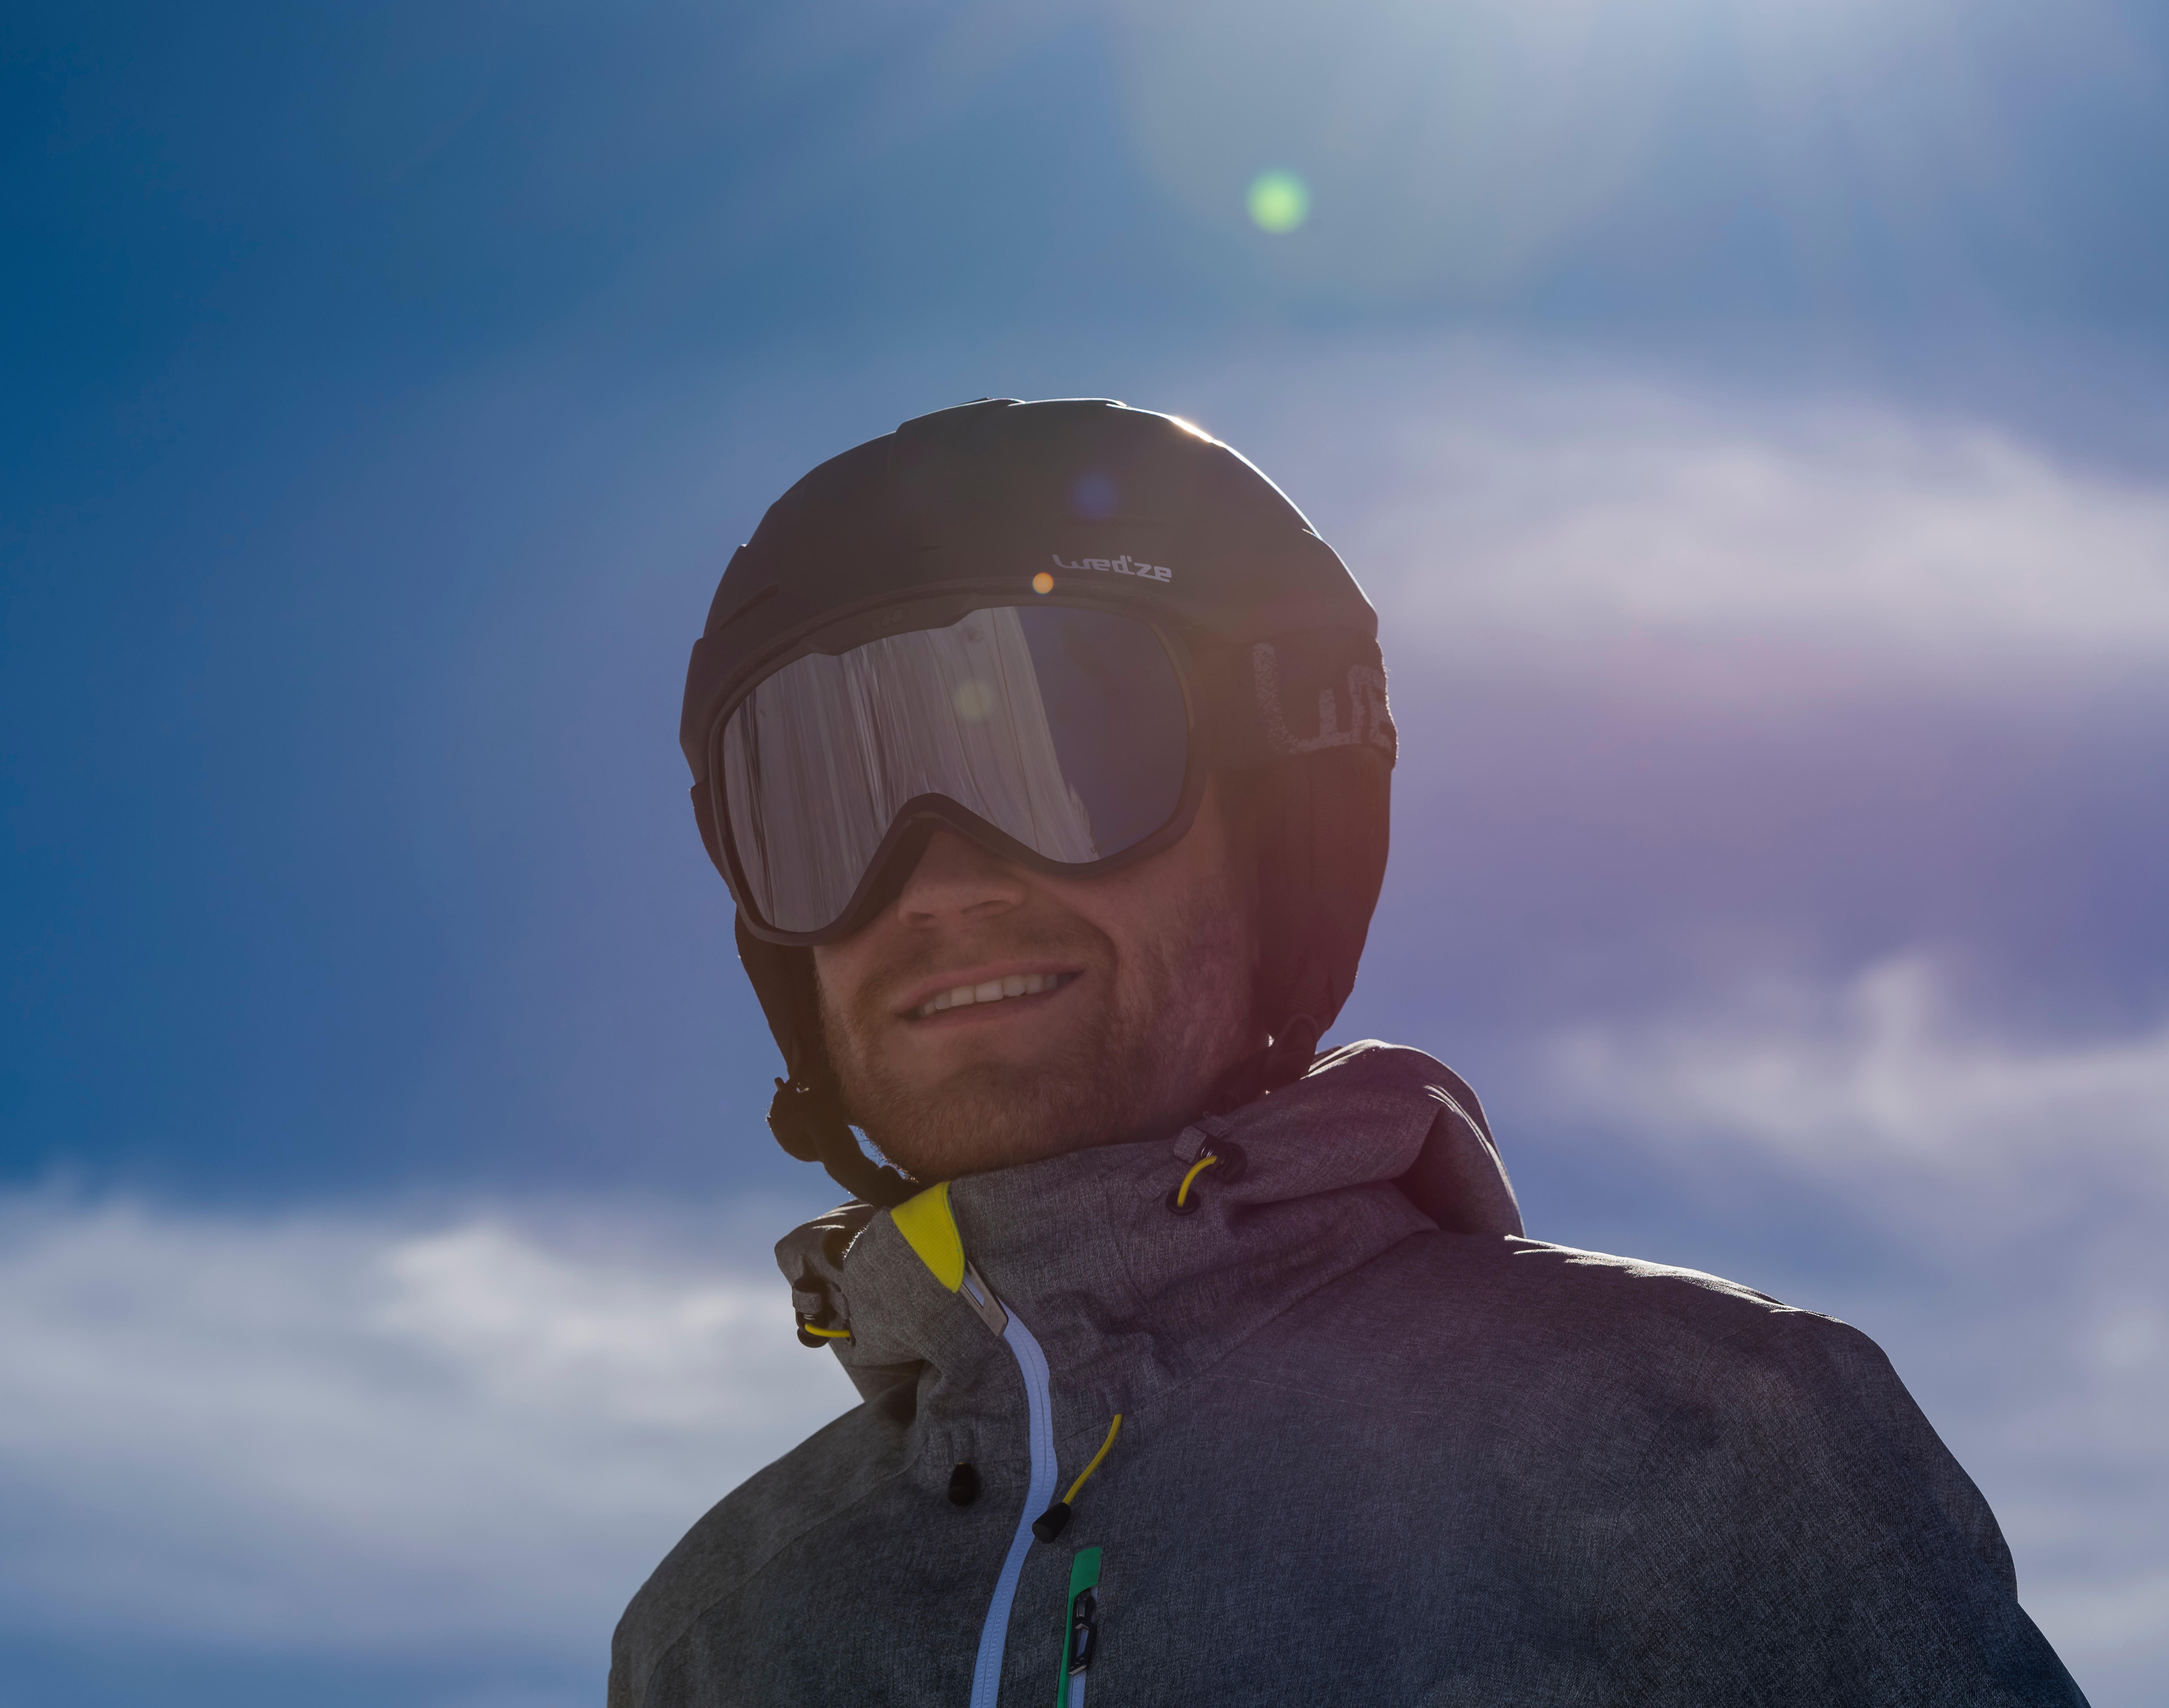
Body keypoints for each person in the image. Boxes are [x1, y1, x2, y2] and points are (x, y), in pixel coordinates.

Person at [611, 398, 2085, 1706]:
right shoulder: (718, 1635)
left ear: (1278, 830)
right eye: (820, 807)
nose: (934, 879)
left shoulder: (1691, 1440)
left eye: (1055, 760)